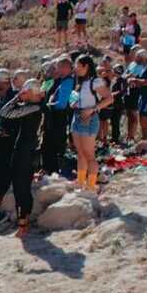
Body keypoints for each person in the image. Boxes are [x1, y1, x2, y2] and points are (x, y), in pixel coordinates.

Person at [0, 79, 45, 237]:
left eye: (26, 92)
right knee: (24, 187)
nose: (23, 94)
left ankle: (23, 225)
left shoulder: (32, 108)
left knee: (21, 187)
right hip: (33, 151)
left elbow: (5, 112)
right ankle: (24, 222)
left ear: (32, 93)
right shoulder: (40, 107)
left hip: (25, 152)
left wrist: (17, 97)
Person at [70, 55, 112, 191]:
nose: (75, 68)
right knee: (80, 152)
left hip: (89, 118)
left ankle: (91, 185)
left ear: (86, 66)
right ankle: (81, 181)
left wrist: (93, 109)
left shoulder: (95, 81)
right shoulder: (79, 82)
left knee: (89, 154)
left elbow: (109, 98)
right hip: (77, 116)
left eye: (77, 65)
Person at [42, 56, 74, 175]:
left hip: (59, 118)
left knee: (54, 146)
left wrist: (49, 105)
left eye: (59, 67)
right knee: (47, 145)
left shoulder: (68, 81)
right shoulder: (58, 80)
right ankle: (48, 169)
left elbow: (62, 104)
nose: (57, 70)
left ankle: (54, 171)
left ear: (66, 67)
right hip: (52, 118)